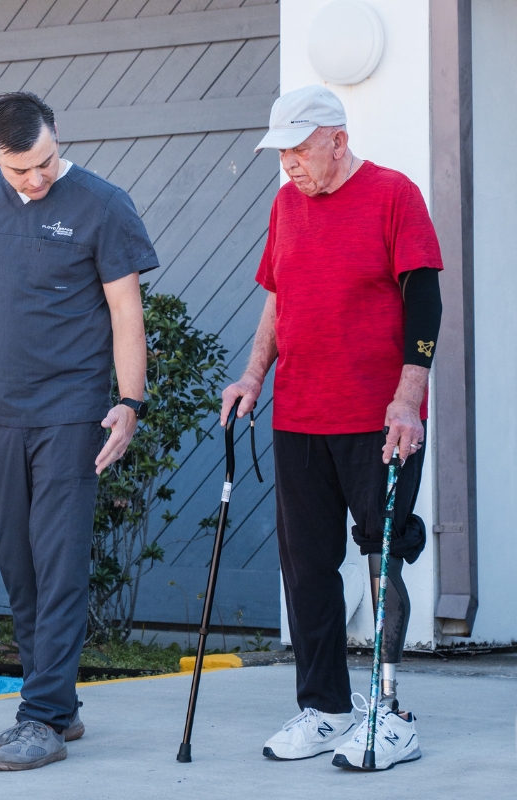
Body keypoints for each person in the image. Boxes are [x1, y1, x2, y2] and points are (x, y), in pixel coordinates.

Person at [0, 92, 157, 771]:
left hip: (71, 411)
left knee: (58, 559)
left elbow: (126, 311)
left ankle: (42, 715)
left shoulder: (102, 205)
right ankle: (62, 705)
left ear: (58, 138)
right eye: (21, 170)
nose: (37, 179)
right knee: (16, 560)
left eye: (45, 162)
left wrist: (129, 400)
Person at [221, 85, 442, 771]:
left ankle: (389, 710)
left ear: (336, 140)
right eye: (280, 150)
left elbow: (426, 304)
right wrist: (254, 376)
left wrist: (409, 398)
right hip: (301, 417)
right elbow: (279, 298)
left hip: (379, 420)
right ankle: (325, 708)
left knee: (383, 557)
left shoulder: (394, 195)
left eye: (297, 147)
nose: (287, 161)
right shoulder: (287, 205)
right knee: (307, 567)